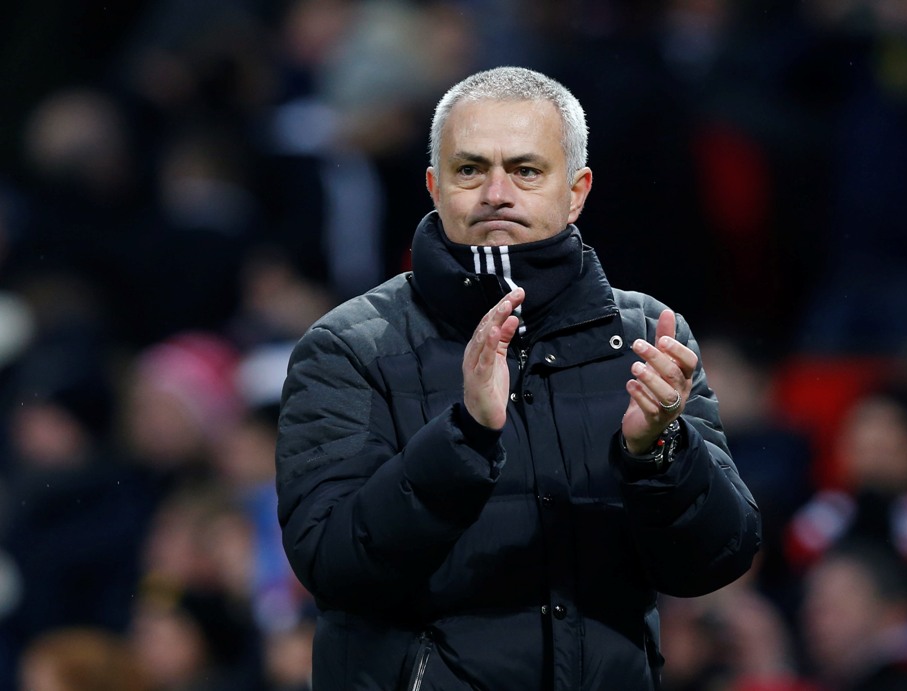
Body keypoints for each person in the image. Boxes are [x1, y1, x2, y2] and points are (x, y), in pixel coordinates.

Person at [275, 65, 761, 690]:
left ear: (577, 190)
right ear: (434, 185)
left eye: (526, 170)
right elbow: (332, 563)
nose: (496, 193)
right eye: (470, 169)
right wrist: (466, 436)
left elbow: (714, 561)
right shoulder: (348, 347)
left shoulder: (650, 337)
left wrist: (659, 453)